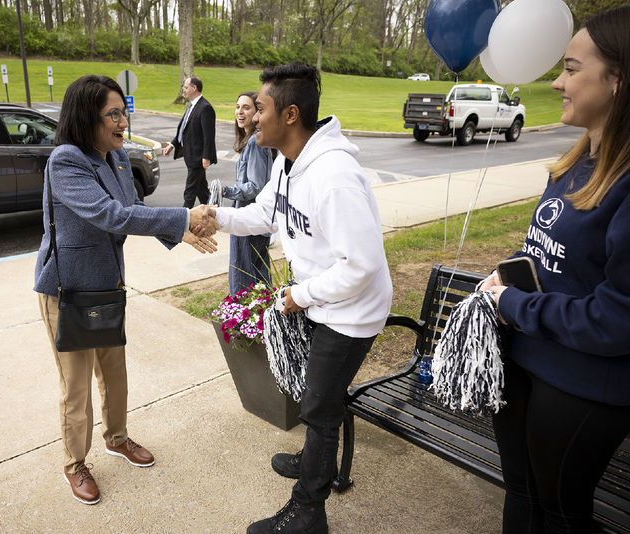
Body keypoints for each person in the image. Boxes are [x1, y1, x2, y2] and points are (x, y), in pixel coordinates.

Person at [209, 62, 392, 534]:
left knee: (319, 406)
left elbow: (362, 263)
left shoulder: (332, 176)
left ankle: (309, 510)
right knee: (316, 397)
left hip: (350, 313)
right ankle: (316, 458)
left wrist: (300, 296)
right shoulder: (288, 163)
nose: (252, 118)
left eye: (261, 109)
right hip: (323, 302)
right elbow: (264, 213)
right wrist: (216, 217)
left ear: (290, 115)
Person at [34, 74, 218, 505]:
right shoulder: (66, 161)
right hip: (67, 291)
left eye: (124, 112)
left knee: (114, 375)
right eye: (112, 114)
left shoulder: (115, 157)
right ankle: (74, 463)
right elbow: (110, 215)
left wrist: (180, 233)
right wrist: (183, 217)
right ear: (87, 117)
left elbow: (133, 208)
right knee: (75, 388)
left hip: (107, 286)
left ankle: (117, 438)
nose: (122, 121)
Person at [481, 7, 630, 532]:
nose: (556, 82)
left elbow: (618, 320)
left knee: (563, 514)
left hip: (582, 384)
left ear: (617, 79)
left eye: (571, 68)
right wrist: (503, 284)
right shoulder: (577, 161)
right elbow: (553, 259)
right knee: (521, 495)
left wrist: (515, 304)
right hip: (524, 360)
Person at [223, 90, 274, 295]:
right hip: (255, 223)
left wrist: (227, 190)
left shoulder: (254, 142)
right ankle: (262, 321)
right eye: (237, 107)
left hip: (248, 223)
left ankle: (245, 323)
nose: (240, 112)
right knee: (259, 279)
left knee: (244, 281)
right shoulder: (252, 140)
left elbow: (255, 186)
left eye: (246, 107)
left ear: (256, 114)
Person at [162, 76, 218, 208]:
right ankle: (215, 212)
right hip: (190, 156)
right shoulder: (192, 106)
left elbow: (209, 135)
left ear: (194, 88)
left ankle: (184, 220)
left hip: (198, 158)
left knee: (190, 191)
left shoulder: (205, 108)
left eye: (186, 87)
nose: (184, 90)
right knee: (201, 190)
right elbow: (183, 129)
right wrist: (172, 144)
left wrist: (206, 156)